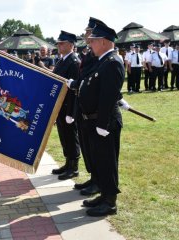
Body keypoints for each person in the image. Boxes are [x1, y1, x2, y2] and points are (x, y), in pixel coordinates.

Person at [67, 22, 124, 217]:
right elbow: (88, 85)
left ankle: (110, 202)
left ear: (105, 42)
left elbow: (108, 97)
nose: (89, 44)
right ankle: (103, 195)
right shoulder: (101, 60)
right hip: (93, 120)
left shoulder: (113, 62)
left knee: (107, 162)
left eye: (93, 41)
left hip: (104, 123)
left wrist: (102, 124)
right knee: (99, 161)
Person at [51, 31, 81, 180]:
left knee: (71, 135)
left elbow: (75, 90)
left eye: (62, 43)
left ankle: (74, 167)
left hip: (69, 105)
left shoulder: (74, 62)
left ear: (70, 45)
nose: (59, 46)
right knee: (64, 135)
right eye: (58, 43)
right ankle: (68, 162)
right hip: (60, 105)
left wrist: (72, 112)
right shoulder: (62, 60)